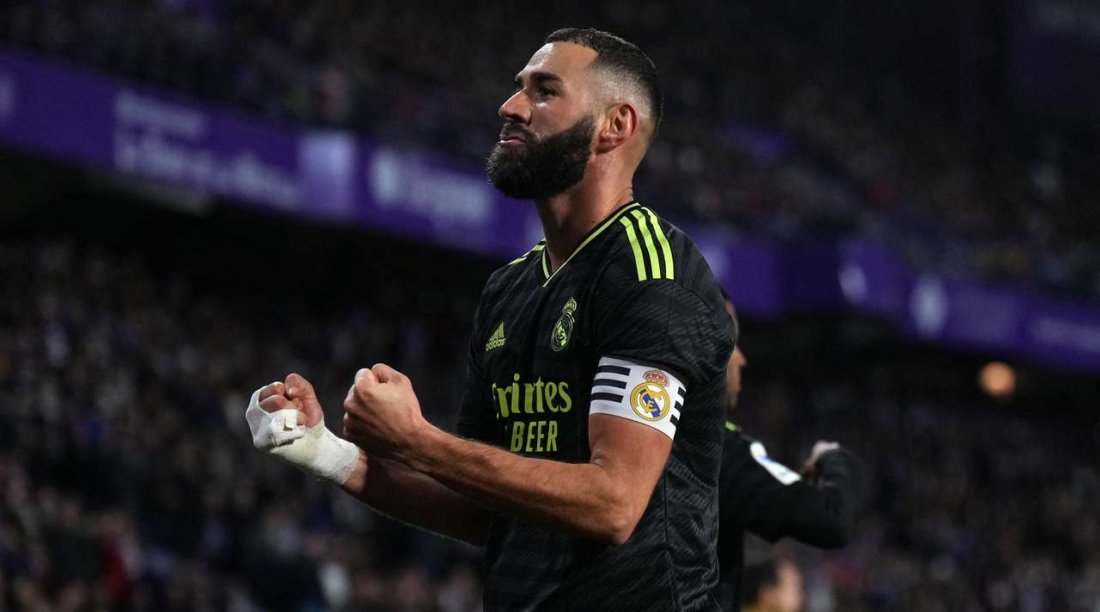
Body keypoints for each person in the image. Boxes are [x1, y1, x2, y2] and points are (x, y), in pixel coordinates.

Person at [245, 28, 734, 610]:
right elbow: (481, 508)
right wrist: (322, 451)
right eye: (518, 87)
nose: (510, 106)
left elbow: (614, 504)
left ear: (614, 125)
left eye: (544, 91)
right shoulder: (509, 289)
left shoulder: (651, 274)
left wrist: (420, 441)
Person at [717, 297, 864, 610]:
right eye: (732, 344)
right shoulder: (719, 451)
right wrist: (833, 457)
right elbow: (834, 515)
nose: (741, 359)